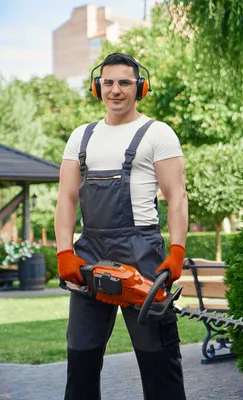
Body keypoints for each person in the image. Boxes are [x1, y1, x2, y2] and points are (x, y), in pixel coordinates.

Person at [54, 53, 188, 400]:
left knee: (158, 361)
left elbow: (177, 196)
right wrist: (65, 252)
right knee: (81, 358)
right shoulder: (81, 137)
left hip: (142, 253)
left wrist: (176, 251)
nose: (116, 90)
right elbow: (66, 199)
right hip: (89, 255)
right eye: (108, 82)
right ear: (98, 88)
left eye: (125, 82)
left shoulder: (158, 133)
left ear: (140, 88)